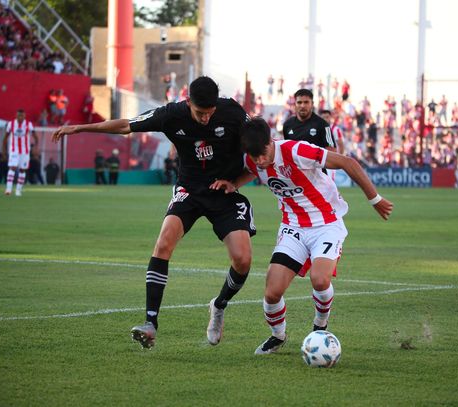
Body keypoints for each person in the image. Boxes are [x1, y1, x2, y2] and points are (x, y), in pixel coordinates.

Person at [51, 76, 256, 349]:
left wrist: (237, 182)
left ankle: (218, 306)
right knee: (164, 243)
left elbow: (261, 145)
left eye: (209, 114)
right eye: (199, 113)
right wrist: (80, 128)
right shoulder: (171, 114)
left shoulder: (232, 111)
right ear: (188, 103)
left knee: (242, 260)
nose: (205, 119)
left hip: (224, 193)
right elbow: (126, 125)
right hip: (189, 190)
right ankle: (150, 324)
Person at [210, 117, 393, 354]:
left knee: (320, 279)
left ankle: (320, 325)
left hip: (326, 224)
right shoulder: (253, 159)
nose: (260, 161)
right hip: (293, 228)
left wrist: (375, 199)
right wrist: (234, 183)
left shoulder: (296, 151)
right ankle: (278, 336)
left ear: (270, 141)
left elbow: (348, 163)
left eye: (263, 154)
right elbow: (253, 170)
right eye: (254, 157)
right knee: (272, 292)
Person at [283, 89, 336, 154]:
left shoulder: (323, 125)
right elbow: (286, 150)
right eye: (299, 102)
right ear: (295, 104)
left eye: (306, 102)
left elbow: (332, 151)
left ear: (312, 104)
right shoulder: (287, 125)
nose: (302, 106)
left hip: (315, 164)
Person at [3, 109, 38, 196]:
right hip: (14, 150)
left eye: (22, 115)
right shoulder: (10, 124)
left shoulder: (28, 124)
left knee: (22, 170)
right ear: (16, 115)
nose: (20, 117)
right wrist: (3, 150)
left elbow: (36, 137)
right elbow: (5, 137)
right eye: (18, 115)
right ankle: (8, 189)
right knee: (13, 167)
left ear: (24, 116)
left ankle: (18, 190)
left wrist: (35, 148)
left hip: (25, 151)